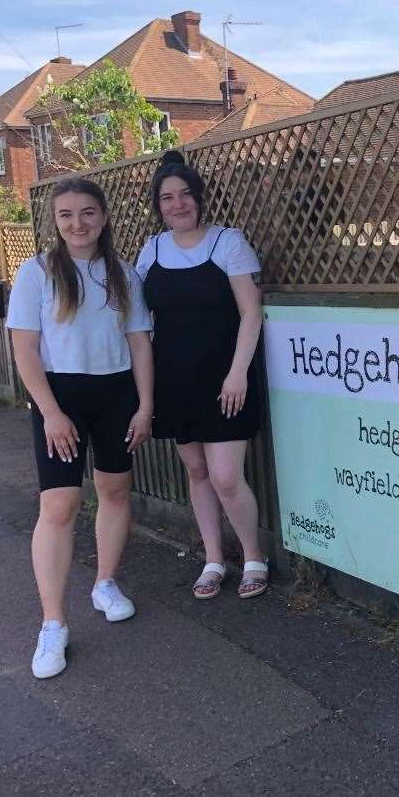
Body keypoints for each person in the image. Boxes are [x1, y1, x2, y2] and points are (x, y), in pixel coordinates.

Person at [7, 177, 154, 680]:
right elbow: (25, 349)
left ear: (104, 216)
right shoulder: (37, 273)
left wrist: (144, 406)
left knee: (115, 489)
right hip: (60, 396)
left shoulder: (125, 276)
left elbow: (139, 345)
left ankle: (105, 584)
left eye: (88, 212)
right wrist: (50, 411)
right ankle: (52, 625)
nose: (78, 223)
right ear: (55, 220)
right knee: (60, 504)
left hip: (116, 394)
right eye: (66, 214)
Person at [136, 150, 268, 600]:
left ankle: (253, 557)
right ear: (158, 205)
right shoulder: (150, 250)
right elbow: (135, 316)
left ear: (200, 198)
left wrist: (238, 375)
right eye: (167, 198)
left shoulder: (228, 243)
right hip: (174, 381)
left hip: (225, 380)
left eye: (185, 195)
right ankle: (214, 560)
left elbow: (251, 313)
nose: (178, 205)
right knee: (196, 470)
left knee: (227, 476)